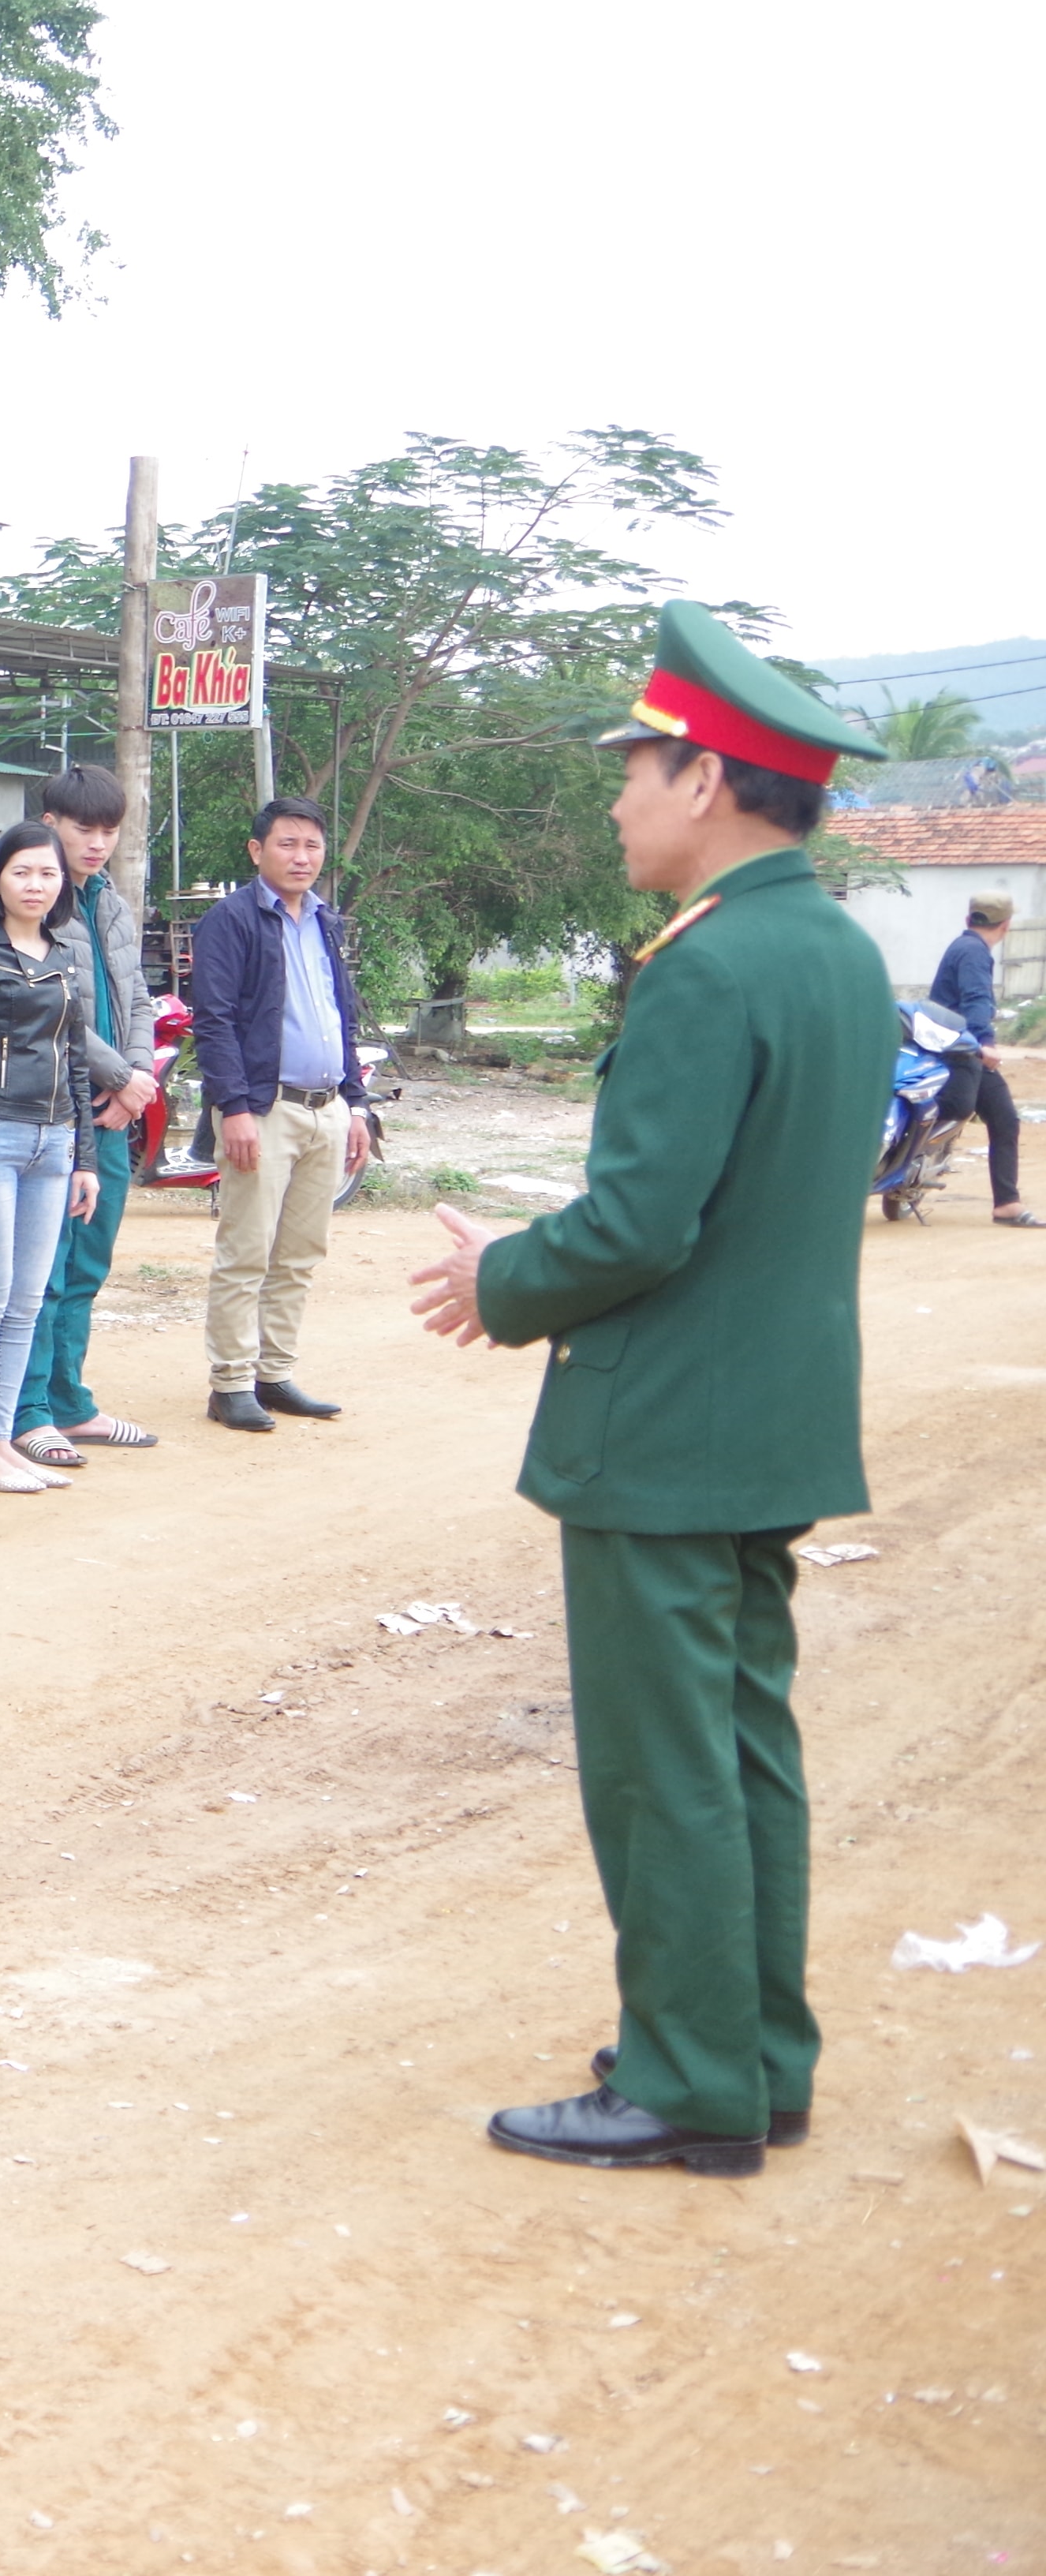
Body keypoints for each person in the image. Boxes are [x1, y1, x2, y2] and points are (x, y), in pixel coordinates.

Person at [409, 601, 893, 2176]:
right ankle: (754, 2054)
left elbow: (639, 1223)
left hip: (665, 1429)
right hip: (766, 1418)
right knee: (744, 1746)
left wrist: (501, 1282)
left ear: (707, 782)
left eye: (631, 770)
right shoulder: (832, 948)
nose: (613, 799)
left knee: (664, 1766)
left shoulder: (708, 963)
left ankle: (689, 2086)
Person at [0, 825, 131, 1496]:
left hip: (55, 1143)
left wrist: (86, 1155)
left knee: (26, 1300)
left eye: (47, 875)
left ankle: (1, 1437)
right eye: (22, 872)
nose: (36, 885)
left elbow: (76, 1060)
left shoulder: (65, 954)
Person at [192, 796, 373, 1432]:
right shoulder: (230, 920)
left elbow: (339, 1017)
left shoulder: (327, 922)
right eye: (288, 844)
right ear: (257, 851)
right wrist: (234, 1109)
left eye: (312, 846)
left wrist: (356, 1104)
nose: (302, 857)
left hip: (326, 1110)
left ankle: (275, 1373)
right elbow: (212, 1022)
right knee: (246, 1251)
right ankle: (231, 1383)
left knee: (300, 1253)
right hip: (264, 1111)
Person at [9, 764, 166, 1466]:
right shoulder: (35, 902)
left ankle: (71, 1402)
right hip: (52, 1105)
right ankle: (27, 1409)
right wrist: (117, 1077)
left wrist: (136, 1079)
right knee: (41, 1264)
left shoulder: (114, 903)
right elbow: (54, 1004)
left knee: (88, 1259)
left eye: (109, 830)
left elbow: (137, 997)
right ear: (52, 825)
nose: (97, 844)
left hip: (110, 1108)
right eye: (84, 829)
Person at [928, 893, 1029, 1225]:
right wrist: (984, 1044)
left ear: (969, 919)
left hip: (955, 1046)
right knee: (955, 1112)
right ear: (1006, 925)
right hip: (963, 1051)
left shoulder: (963, 946)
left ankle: (1007, 1203)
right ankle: (1006, 1203)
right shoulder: (974, 953)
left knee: (1003, 1119)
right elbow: (975, 1001)